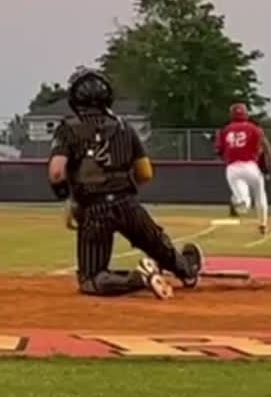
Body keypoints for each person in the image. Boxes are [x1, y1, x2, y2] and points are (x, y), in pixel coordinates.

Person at [49, 69, 202, 299]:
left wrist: (68, 199)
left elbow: (57, 173)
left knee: (92, 279)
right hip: (127, 203)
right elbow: (145, 173)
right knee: (159, 246)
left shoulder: (68, 128)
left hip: (94, 209)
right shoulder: (124, 127)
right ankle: (186, 270)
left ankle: (139, 278)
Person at [216, 102, 271, 235]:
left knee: (243, 202)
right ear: (246, 114)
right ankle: (263, 223)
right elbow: (264, 144)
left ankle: (240, 201)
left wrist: (227, 156)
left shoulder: (225, 130)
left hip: (233, 168)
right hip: (251, 166)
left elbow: (219, 150)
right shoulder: (254, 128)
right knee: (260, 194)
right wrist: (270, 159)